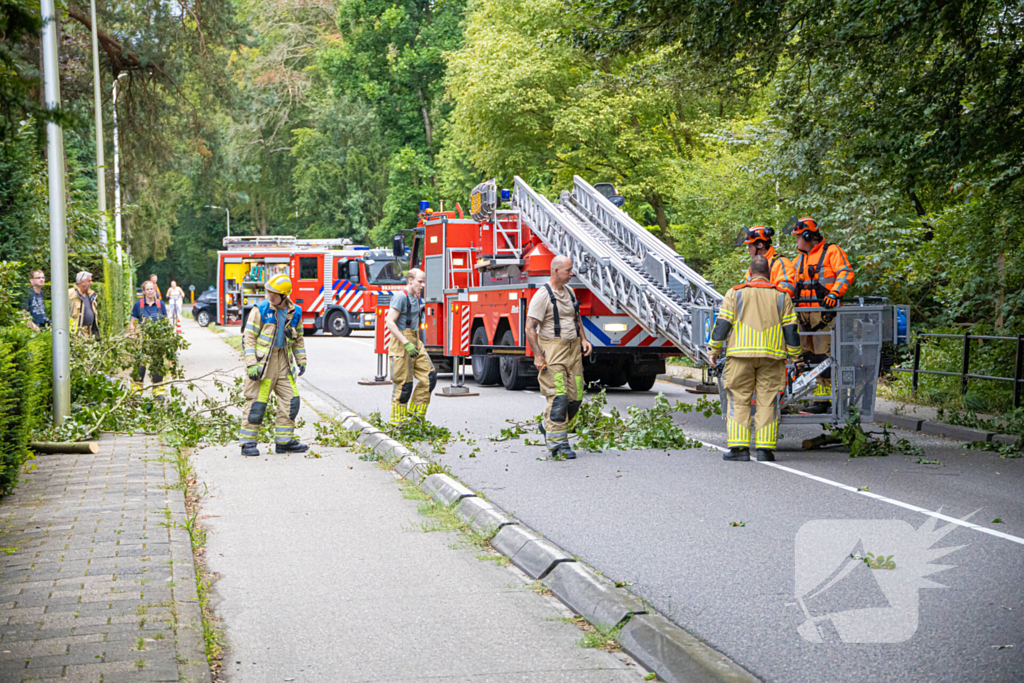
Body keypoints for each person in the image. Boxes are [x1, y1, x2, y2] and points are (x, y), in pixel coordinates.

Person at [708, 255, 802, 462]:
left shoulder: (735, 294)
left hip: (740, 357)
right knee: (767, 402)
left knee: (738, 400)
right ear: (769, 275)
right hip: (772, 357)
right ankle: (764, 450)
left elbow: (722, 324)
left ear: (750, 273)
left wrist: (713, 351)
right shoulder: (781, 296)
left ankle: (739, 449)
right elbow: (791, 331)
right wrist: (796, 358)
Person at [525, 255, 593, 460]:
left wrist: (583, 339)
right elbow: (529, 327)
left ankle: (548, 425)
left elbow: (575, 318)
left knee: (576, 397)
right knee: (559, 398)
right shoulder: (542, 295)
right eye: (568, 270)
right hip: (553, 353)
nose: (571, 274)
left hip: (573, 352)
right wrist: (538, 355)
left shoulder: (570, 292)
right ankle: (558, 445)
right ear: (555, 271)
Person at [238, 273, 308, 457]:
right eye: (268, 292)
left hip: (284, 363)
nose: (270, 296)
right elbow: (249, 337)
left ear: (284, 295)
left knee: (291, 401)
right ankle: (248, 443)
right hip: (264, 365)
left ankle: (284, 442)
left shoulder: (296, 312)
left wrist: (301, 360)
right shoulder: (260, 309)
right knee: (257, 403)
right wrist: (251, 363)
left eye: (274, 293)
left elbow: (298, 339)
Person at [790, 216, 855, 414]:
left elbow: (845, 273)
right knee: (807, 357)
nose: (796, 242)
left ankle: (826, 399)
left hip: (823, 315)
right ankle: (816, 396)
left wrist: (835, 293)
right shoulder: (799, 259)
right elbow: (790, 281)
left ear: (808, 236)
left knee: (824, 357)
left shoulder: (832, 252)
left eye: (798, 237)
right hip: (803, 316)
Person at [385, 268, 435, 425]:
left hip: (415, 340)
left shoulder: (416, 297)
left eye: (424, 282)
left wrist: (413, 342)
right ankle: (397, 422)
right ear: (410, 280)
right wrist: (405, 342)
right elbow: (389, 321)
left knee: (430, 377)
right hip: (401, 343)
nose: (423, 285)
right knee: (404, 384)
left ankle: (415, 419)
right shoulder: (400, 297)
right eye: (420, 282)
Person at [130, 281, 169, 397]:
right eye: (147, 289)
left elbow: (165, 322)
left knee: (157, 364)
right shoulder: (138, 305)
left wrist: (166, 336)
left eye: (152, 289)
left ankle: (158, 391)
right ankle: (136, 391)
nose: (150, 291)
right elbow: (132, 322)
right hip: (142, 340)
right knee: (139, 366)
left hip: (157, 340)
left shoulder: (160, 305)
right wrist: (132, 334)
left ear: (155, 290)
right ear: (143, 292)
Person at [739, 225, 796, 297]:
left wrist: (765, 298)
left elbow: (787, 289)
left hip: (774, 307)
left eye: (750, 246)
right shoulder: (754, 266)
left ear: (760, 245)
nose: (748, 249)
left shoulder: (781, 263)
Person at [69, 271, 99, 338]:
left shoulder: (90, 295)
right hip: (77, 334)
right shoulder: (70, 294)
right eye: (89, 281)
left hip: (89, 333)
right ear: (82, 282)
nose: (91, 283)